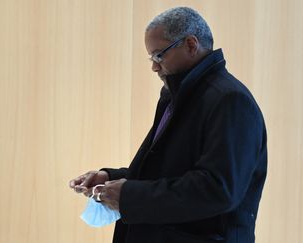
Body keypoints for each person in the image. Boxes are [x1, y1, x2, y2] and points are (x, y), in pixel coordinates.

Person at [69, 6, 267, 243]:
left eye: (159, 56)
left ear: (191, 45)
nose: (154, 66)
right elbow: (169, 173)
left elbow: (217, 190)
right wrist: (111, 179)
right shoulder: (179, 96)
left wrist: (130, 196)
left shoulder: (229, 100)